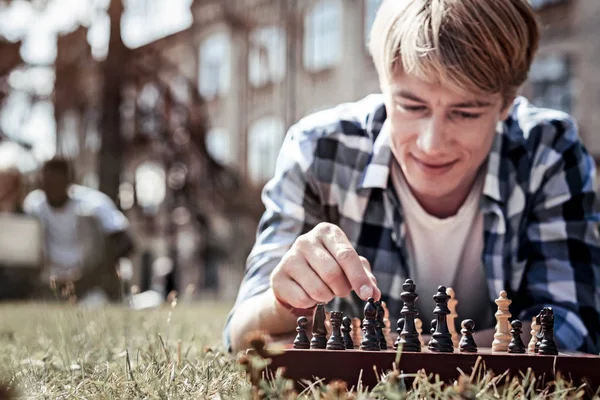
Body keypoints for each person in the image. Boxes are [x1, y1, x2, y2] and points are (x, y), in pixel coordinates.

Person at [225, 0, 600, 353]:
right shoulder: (317, 150)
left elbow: (575, 327)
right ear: (383, 86)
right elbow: (240, 332)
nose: (432, 143)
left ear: (505, 104)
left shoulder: (549, 151)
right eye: (411, 105)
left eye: (466, 112)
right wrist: (283, 300)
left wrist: (416, 351)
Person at [23, 158, 134, 301]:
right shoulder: (34, 205)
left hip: (90, 279)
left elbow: (126, 242)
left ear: (70, 181)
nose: (53, 189)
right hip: (50, 278)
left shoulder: (93, 203)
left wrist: (88, 275)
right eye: (49, 183)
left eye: (58, 182)